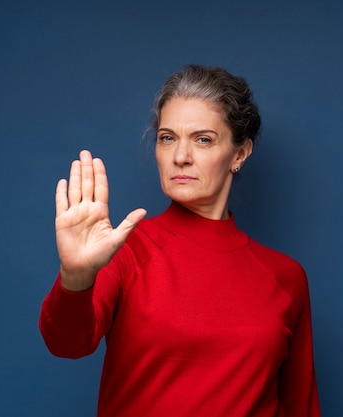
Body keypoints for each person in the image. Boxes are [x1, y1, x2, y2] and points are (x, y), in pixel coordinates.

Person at [39, 65, 321, 417]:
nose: (180, 156)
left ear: (239, 153)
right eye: (167, 137)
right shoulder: (122, 249)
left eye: (203, 139)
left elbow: (301, 407)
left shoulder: (285, 277)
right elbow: (66, 343)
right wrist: (75, 277)